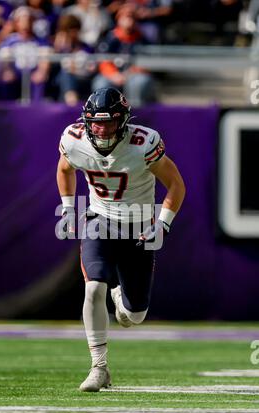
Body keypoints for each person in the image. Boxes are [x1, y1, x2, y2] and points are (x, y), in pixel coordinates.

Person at [56, 87, 185, 392]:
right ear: (86, 121)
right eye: (97, 123)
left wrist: (163, 224)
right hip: (98, 221)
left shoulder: (143, 143)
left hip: (138, 225)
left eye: (110, 122)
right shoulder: (73, 139)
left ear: (123, 121)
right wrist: (67, 209)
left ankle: (121, 298)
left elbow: (176, 184)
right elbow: (64, 169)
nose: (102, 129)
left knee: (134, 316)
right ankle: (99, 367)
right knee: (92, 288)